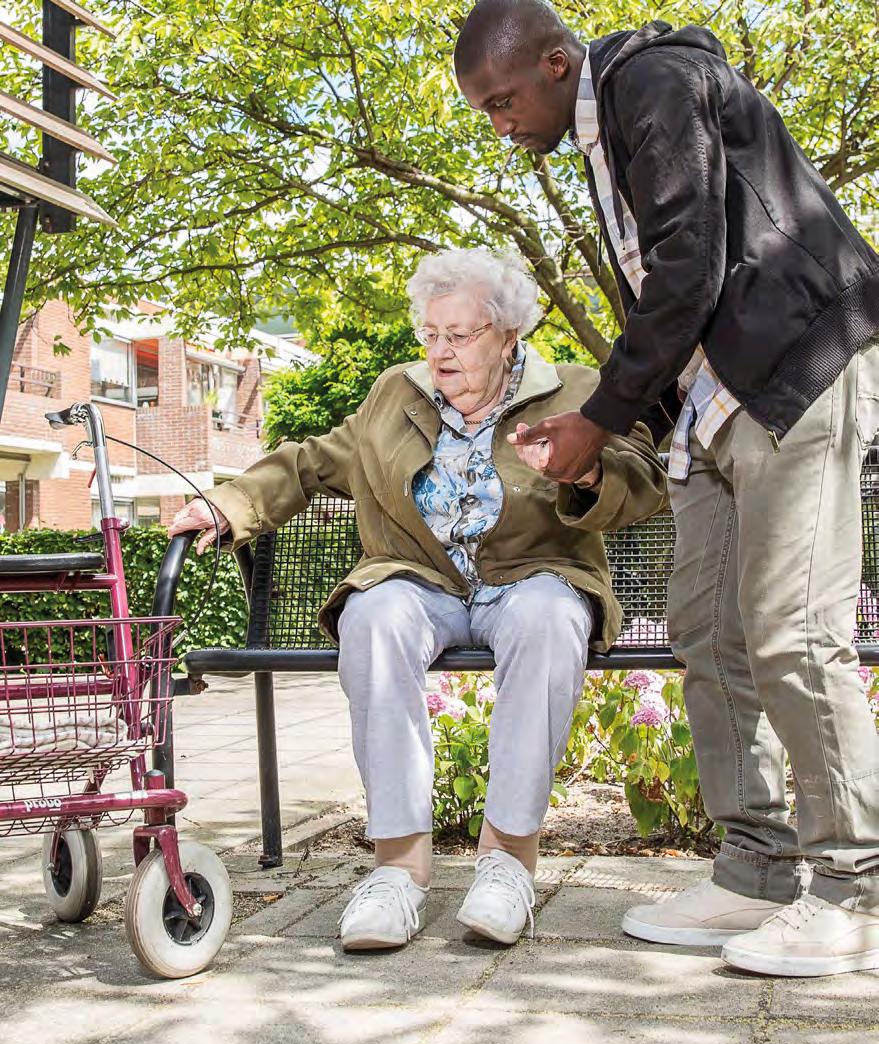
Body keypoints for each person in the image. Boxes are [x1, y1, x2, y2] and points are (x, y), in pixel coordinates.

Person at [455, 0, 879, 977]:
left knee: (790, 629)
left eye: (504, 99)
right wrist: (613, 434)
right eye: (483, 109)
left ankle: (852, 885)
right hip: (713, 401)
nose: (499, 123)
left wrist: (599, 415)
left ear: (559, 65)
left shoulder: (652, 82)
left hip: (795, 369)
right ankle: (757, 869)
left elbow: (689, 264)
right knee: (706, 624)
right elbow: (672, 298)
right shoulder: (604, 140)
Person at [168, 247, 667, 951]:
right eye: (430, 334)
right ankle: (398, 868)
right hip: (420, 579)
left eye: (458, 336)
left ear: (506, 335)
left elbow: (641, 475)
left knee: (549, 615)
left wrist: (582, 470)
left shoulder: (576, 390)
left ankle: (507, 862)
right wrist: (227, 506)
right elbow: (311, 461)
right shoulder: (393, 395)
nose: (439, 352)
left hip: (532, 573)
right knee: (373, 613)